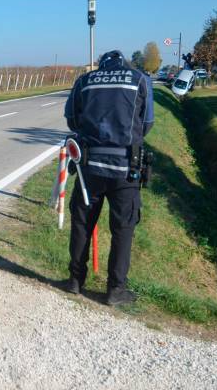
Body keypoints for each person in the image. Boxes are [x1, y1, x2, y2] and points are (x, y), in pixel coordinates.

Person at [62, 50, 154, 306]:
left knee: (82, 223)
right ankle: (115, 291)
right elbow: (147, 123)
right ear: (123, 63)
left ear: (101, 64)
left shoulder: (84, 81)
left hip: (89, 168)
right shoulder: (140, 79)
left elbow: (72, 120)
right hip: (126, 169)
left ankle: (74, 281)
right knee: (123, 229)